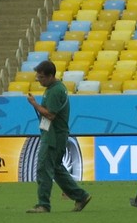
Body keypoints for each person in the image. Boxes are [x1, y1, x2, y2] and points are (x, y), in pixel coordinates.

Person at [25, 60, 91, 213]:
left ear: (50, 76)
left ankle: (43, 204)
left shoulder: (55, 91)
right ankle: (80, 196)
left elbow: (50, 115)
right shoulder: (54, 88)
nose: (38, 80)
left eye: (41, 77)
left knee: (43, 167)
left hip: (54, 136)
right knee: (55, 168)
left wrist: (34, 104)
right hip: (55, 134)